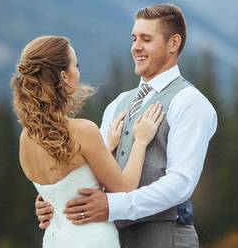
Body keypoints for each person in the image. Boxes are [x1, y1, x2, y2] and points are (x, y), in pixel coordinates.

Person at [36, 3, 217, 247]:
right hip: (112, 239)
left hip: (164, 237)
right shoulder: (118, 103)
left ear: (173, 43)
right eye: (134, 38)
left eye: (146, 39)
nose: (136, 47)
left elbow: (180, 183)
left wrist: (113, 206)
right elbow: (91, 169)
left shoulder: (190, 102)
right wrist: (56, 200)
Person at [13, 35, 166, 248]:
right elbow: (126, 188)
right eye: (76, 64)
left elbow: (64, 184)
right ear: (65, 77)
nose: (78, 71)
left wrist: (108, 147)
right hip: (93, 239)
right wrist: (140, 142)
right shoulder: (83, 131)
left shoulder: (26, 139)